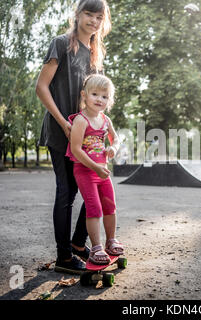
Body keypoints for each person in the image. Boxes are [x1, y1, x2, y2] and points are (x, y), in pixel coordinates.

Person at [35, 0, 112, 274]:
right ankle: (64, 257)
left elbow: (96, 97)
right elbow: (41, 87)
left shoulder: (94, 52)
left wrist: (102, 127)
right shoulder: (61, 44)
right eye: (88, 13)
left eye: (98, 16)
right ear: (77, 15)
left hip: (85, 135)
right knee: (66, 191)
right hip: (61, 131)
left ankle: (79, 244)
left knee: (93, 186)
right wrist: (63, 124)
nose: (93, 20)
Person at [66, 74, 124, 264]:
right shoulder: (81, 120)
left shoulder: (105, 120)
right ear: (84, 95)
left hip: (102, 172)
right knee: (94, 208)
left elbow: (115, 139)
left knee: (110, 205)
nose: (99, 99)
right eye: (95, 94)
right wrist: (95, 168)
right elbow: (75, 149)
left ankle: (110, 240)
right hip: (85, 171)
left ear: (109, 100)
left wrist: (112, 149)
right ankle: (96, 247)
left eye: (104, 96)